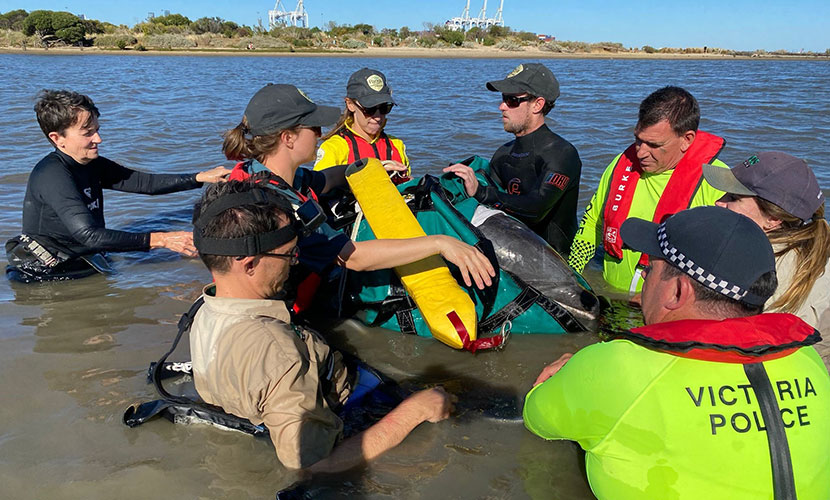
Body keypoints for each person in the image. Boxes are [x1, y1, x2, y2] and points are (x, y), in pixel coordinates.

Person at [524, 206, 830, 499]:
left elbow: (537, 419)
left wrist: (573, 373)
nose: (643, 276)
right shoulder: (806, 357)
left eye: (650, 267)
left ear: (678, 291)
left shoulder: (617, 366)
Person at [189, 180, 456, 471]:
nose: (294, 263)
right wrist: (413, 412)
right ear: (249, 264)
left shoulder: (203, 310)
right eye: (289, 254)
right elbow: (313, 465)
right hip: (348, 409)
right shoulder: (277, 350)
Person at [222, 83, 494, 314]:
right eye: (313, 127)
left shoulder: (262, 174)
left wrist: (370, 168)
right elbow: (354, 257)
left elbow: (329, 178)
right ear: (288, 137)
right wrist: (440, 244)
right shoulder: (281, 203)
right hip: (268, 315)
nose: (320, 134)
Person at [6, 89, 229, 282]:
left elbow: (144, 183)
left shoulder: (90, 164)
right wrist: (163, 239)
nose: (99, 139)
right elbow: (89, 235)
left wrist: (200, 177)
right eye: (88, 133)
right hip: (46, 275)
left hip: (84, 261)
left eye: (97, 129)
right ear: (57, 138)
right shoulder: (53, 174)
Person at [568, 86, 728, 293]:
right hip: (612, 297)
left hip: (668, 308)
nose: (641, 152)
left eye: (653, 145)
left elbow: (724, 263)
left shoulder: (718, 182)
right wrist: (572, 274)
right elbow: (592, 224)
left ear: (686, 140)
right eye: (638, 140)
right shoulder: (621, 164)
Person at [703, 151, 830, 366]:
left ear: (772, 219)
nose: (718, 202)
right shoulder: (814, 254)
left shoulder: (749, 264)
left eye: (733, 198)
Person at [443, 63, 582, 255]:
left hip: (557, 261)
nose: (501, 106)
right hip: (514, 252)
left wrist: (482, 192)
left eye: (512, 100)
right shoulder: (503, 154)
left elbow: (536, 209)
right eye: (502, 98)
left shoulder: (562, 154)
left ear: (538, 104)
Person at [313, 68, 410, 181]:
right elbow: (318, 191)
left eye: (384, 108)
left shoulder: (397, 145)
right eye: (370, 109)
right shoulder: (334, 148)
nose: (377, 117)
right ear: (350, 104)